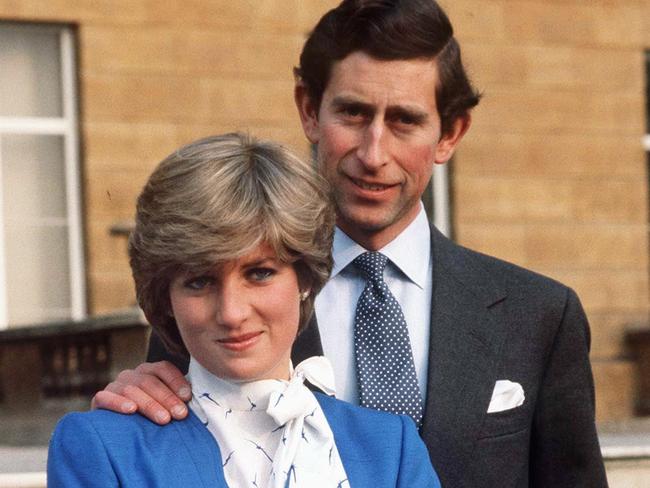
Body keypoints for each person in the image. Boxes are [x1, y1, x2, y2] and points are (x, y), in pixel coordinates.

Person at [92, 1, 609, 486]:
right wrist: (138, 404)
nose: (373, 153)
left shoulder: (540, 314)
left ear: (450, 133)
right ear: (309, 109)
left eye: (405, 121)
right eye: (354, 114)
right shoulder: (220, 300)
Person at [48, 133, 440, 487]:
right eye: (199, 281)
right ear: (166, 297)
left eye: (259, 273)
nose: (232, 313)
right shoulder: (104, 447)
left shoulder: (392, 450)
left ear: (304, 278)